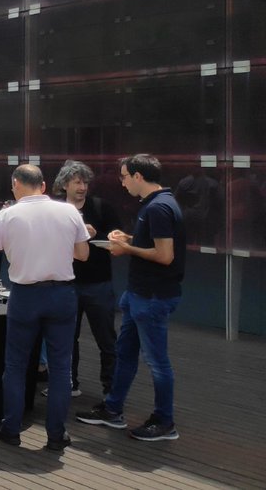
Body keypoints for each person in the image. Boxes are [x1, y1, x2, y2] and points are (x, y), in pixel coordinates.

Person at [0, 165, 89, 451]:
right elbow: (83, 254)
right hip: (63, 294)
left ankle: (11, 428)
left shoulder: (7, 215)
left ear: (16, 184)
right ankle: (56, 434)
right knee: (61, 368)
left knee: (16, 365)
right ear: (43, 185)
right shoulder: (69, 212)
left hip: (26, 295)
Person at [77, 154, 185, 442]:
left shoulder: (158, 208)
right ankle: (113, 408)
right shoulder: (156, 204)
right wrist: (127, 239)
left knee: (157, 362)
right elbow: (155, 245)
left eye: (124, 176)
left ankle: (164, 421)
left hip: (152, 296)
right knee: (125, 353)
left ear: (138, 176)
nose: (122, 183)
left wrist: (126, 249)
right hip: (140, 295)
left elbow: (164, 255)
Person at [52, 160, 120, 399]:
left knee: (106, 338)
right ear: (65, 185)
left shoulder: (102, 208)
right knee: (66, 337)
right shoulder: (55, 209)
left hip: (98, 283)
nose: (82, 187)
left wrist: (95, 234)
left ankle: (111, 390)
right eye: (77, 182)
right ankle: (68, 383)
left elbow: (117, 242)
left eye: (85, 183)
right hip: (66, 282)